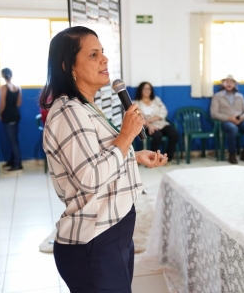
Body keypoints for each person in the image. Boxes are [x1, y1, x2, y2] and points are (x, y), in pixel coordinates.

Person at [40, 26, 167, 293]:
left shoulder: (86, 107)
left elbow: (97, 158)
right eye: (93, 55)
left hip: (112, 230)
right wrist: (126, 135)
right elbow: (89, 178)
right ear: (68, 66)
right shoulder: (68, 112)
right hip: (93, 240)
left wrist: (133, 155)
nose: (105, 60)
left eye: (104, 53)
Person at [210, 75, 244, 164]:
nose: (229, 84)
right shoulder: (217, 96)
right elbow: (214, 114)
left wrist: (242, 118)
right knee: (233, 129)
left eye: (231, 82)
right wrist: (228, 118)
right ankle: (232, 154)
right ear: (223, 84)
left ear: (235, 84)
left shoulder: (240, 96)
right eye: (227, 82)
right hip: (226, 121)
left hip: (240, 121)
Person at [134, 81, 178, 164]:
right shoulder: (136, 103)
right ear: (140, 90)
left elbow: (163, 112)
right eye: (144, 89)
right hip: (147, 126)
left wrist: (150, 120)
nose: (147, 91)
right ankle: (153, 159)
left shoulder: (156, 100)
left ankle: (167, 158)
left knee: (174, 134)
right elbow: (137, 117)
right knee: (157, 135)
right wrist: (149, 124)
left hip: (161, 124)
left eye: (149, 89)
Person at [0, 67, 23, 173]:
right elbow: (18, 103)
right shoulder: (17, 87)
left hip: (7, 116)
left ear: (3, 76)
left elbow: (2, 104)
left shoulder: (3, 88)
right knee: (14, 140)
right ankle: (13, 161)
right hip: (16, 115)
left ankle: (17, 164)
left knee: (12, 141)